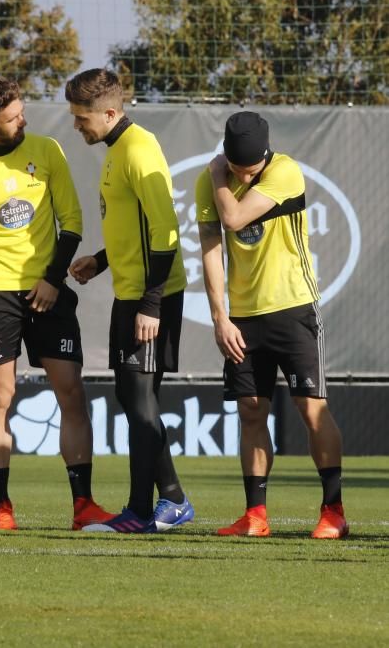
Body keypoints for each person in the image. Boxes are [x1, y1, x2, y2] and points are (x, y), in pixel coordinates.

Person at [0, 75, 114, 531]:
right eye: (13, 117)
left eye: (21, 111)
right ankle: (1, 506)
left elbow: (71, 222)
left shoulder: (48, 151)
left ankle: (83, 505)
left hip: (47, 292)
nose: (22, 120)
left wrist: (53, 279)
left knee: (71, 393)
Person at [196, 111, 348, 539]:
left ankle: (333, 511)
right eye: (238, 168)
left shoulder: (284, 171)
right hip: (243, 317)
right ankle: (255, 516)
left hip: (294, 307)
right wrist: (219, 316)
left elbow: (234, 220)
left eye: (251, 168)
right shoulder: (210, 181)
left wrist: (219, 177)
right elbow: (211, 247)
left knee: (311, 409)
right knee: (250, 411)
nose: (246, 174)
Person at [65, 68, 194, 533]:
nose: (77, 126)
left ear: (111, 112)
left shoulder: (139, 151)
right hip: (130, 292)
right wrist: (100, 260)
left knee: (140, 400)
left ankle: (140, 511)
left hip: (149, 299)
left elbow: (166, 233)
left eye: (82, 118)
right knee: (130, 394)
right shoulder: (116, 149)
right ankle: (174, 498)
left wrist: (152, 304)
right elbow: (136, 229)